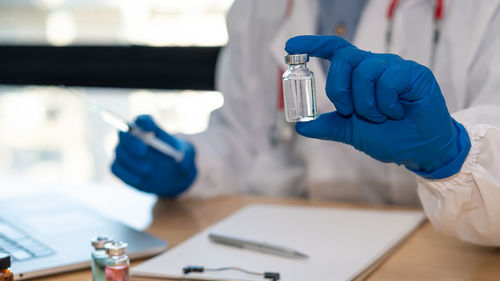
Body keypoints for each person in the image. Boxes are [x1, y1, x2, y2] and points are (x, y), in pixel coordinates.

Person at [111, 0, 500, 246]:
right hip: (295, 245)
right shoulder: (258, 8)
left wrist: (453, 155)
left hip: (436, 252)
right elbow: (245, 139)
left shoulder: (482, 10)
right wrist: (192, 164)